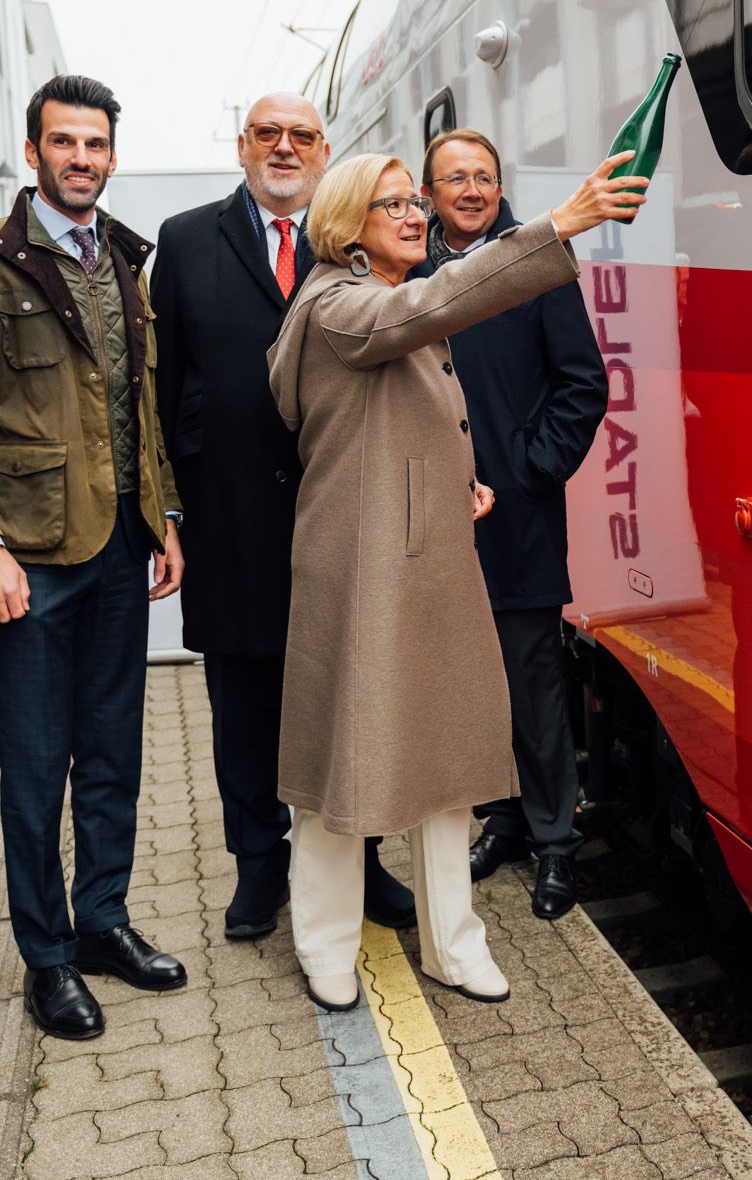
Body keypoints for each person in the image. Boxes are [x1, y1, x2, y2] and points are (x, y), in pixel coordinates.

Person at [266, 149, 646, 1010]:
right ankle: (326, 943)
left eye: (414, 201)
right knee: (339, 762)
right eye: (394, 204)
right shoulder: (337, 304)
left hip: (426, 553)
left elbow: (401, 420)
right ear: (347, 225)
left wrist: (455, 478)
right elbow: (429, 307)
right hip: (359, 567)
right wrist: (559, 226)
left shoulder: (374, 297)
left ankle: (454, 944)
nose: (416, 214)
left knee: (445, 756)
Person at [0, 75, 187, 1043]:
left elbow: (139, 405)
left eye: (96, 144)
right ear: (31, 152)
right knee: (35, 769)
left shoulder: (123, 257)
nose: (82, 158)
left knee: (113, 753)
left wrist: (164, 515)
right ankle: (48, 957)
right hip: (27, 556)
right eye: (64, 142)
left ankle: (103, 921)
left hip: (118, 544)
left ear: (112, 155)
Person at [152, 93, 414, 942]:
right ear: (242, 145)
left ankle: (360, 860)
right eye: (269, 133)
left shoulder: (352, 241)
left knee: (349, 691)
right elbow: (162, 385)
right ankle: (258, 866)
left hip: (343, 508)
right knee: (244, 702)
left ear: (325, 151)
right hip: (229, 513)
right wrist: (167, 510)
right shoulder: (185, 240)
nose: (286, 147)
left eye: (303, 135)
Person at [410, 129, 605, 919]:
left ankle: (557, 843)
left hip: (517, 514)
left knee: (533, 680)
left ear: (499, 187)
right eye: (455, 178)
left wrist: (530, 470)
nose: (471, 189)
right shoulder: (410, 272)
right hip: (435, 516)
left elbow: (582, 384)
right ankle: (506, 821)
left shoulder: (536, 261)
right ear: (428, 193)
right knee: (472, 684)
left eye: (484, 177)